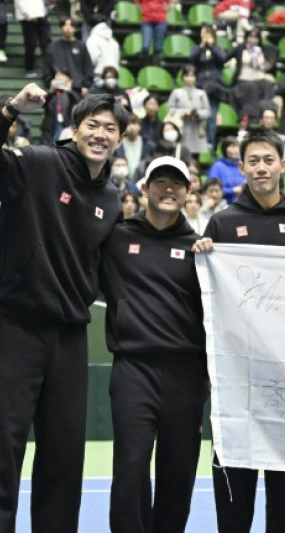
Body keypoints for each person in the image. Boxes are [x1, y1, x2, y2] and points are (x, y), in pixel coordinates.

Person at [0, 87, 128, 532]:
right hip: (14, 327)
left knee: (63, 456)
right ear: (75, 130)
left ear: (119, 140)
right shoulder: (38, 163)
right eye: (91, 125)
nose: (100, 134)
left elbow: (113, 272)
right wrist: (10, 111)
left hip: (70, 337)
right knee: (3, 450)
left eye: (109, 128)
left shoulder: (111, 200)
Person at [191, 129, 285, 533]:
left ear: (282, 164)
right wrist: (204, 256)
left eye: (269, 159)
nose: (261, 168)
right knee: (233, 501)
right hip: (235, 386)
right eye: (253, 161)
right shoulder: (223, 223)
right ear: (240, 167)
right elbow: (207, 301)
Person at [100, 156, 206, 532]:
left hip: (187, 375)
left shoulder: (201, 251)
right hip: (133, 371)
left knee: (178, 474)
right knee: (130, 468)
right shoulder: (116, 238)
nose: (168, 189)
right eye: (160, 182)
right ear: (143, 189)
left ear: (187, 192)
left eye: (177, 183)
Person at [227, 26, 276, 124]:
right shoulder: (241, 49)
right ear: (247, 38)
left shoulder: (264, 50)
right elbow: (225, 56)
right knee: (250, 89)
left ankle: (264, 119)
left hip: (260, 81)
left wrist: (266, 63)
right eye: (251, 37)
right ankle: (248, 118)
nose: (253, 40)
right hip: (244, 81)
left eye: (256, 37)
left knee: (267, 88)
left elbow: (270, 64)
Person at [190, 24, 228, 148]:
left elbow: (223, 59)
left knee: (211, 117)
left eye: (207, 34)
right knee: (198, 117)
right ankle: (196, 143)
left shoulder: (217, 48)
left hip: (214, 87)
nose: (204, 36)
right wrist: (202, 47)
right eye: (203, 34)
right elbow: (191, 59)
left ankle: (210, 143)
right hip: (200, 85)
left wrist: (212, 46)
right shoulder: (197, 48)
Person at [166, 64, 210, 155]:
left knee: (195, 157)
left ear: (196, 78)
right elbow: (170, 110)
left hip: (197, 128)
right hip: (181, 128)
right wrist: (183, 112)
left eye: (192, 76)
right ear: (183, 78)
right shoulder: (176, 92)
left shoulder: (201, 93)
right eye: (187, 76)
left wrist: (197, 113)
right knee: (181, 154)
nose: (189, 78)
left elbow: (207, 111)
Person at [43, 17, 94, 94]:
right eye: (65, 25)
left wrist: (86, 85)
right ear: (61, 27)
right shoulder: (52, 47)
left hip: (77, 87)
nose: (67, 28)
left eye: (71, 25)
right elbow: (47, 68)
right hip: (57, 86)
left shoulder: (81, 46)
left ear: (75, 28)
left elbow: (88, 67)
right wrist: (49, 82)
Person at [41, 70, 81, 144]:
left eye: (63, 81)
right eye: (58, 80)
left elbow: (78, 103)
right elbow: (43, 103)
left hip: (66, 126)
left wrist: (69, 90)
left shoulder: (71, 94)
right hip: (50, 128)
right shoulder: (49, 93)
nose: (60, 83)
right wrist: (51, 90)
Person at [14, 0, 51, 78]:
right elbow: (20, 4)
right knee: (31, 44)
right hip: (28, 19)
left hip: (42, 16)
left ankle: (49, 70)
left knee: (46, 44)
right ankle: (29, 69)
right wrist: (30, 16)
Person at [207, 136, 244, 204]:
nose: (235, 150)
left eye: (237, 147)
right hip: (223, 205)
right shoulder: (217, 167)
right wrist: (233, 190)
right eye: (232, 147)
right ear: (225, 149)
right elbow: (211, 189)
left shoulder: (243, 165)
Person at [85, 14, 120, 82]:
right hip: (114, 77)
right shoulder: (114, 41)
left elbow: (92, 60)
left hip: (99, 77)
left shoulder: (92, 40)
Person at [137, 0, 169, 65]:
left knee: (158, 48)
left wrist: (164, 10)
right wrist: (142, 10)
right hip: (147, 21)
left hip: (160, 21)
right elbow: (137, 1)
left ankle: (156, 67)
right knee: (145, 46)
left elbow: (170, 2)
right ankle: (143, 66)